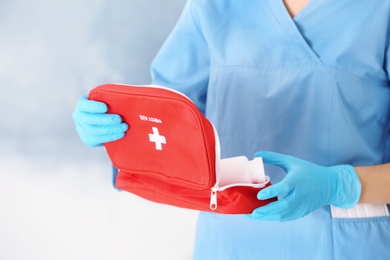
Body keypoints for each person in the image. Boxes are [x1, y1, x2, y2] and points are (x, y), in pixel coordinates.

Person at [73, 0, 390, 259]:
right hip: (228, 242)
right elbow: (167, 118)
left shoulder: (380, 12)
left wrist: (338, 185)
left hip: (344, 243)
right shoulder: (214, 7)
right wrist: (117, 123)